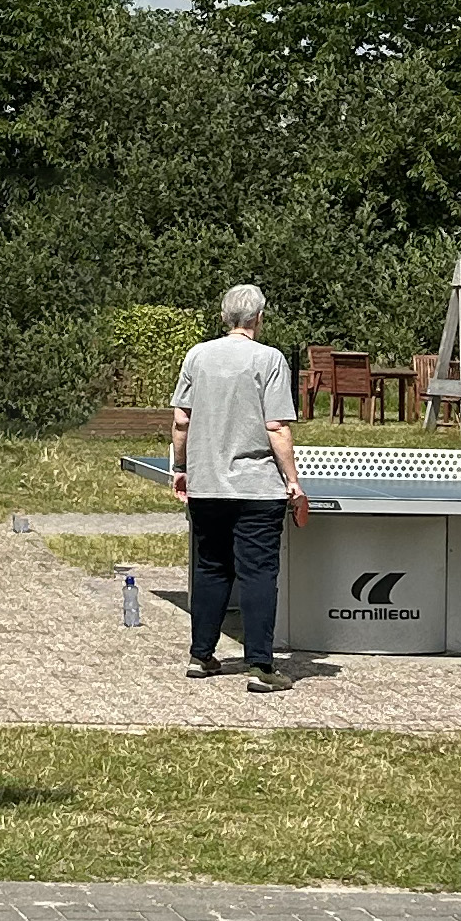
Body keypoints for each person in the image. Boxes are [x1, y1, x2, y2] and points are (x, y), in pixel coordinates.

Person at [169, 283, 307, 694]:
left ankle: (201, 656)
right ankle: (261, 666)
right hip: (257, 488)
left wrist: (181, 468)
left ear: (223, 317)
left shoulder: (197, 355)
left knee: (210, 568)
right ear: (259, 318)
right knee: (258, 573)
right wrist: (293, 481)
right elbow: (276, 427)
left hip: (207, 484)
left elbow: (181, 421)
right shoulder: (270, 359)